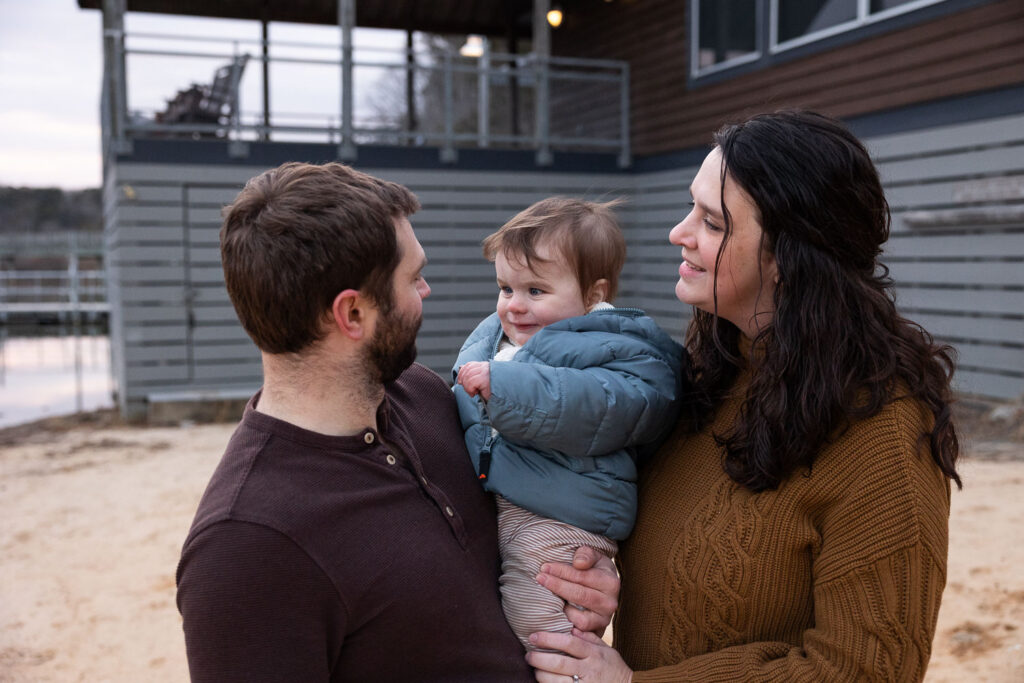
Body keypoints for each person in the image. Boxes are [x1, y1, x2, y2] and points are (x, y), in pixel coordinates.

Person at [528, 110, 961, 682]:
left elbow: (868, 670)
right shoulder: (707, 377)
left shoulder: (882, 432)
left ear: (785, 255)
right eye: (692, 208)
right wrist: (608, 577)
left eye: (712, 222)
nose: (678, 233)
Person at [175, 162, 619, 682]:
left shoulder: (428, 396)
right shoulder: (246, 546)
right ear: (353, 314)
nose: (426, 290)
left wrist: (580, 581)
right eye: (413, 277)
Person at [452, 198, 684, 650]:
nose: (515, 306)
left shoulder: (615, 344)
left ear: (594, 295)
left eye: (536, 291)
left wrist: (506, 385)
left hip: (563, 513)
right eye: (505, 289)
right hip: (509, 500)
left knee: (538, 624)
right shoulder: (496, 342)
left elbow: (595, 407)